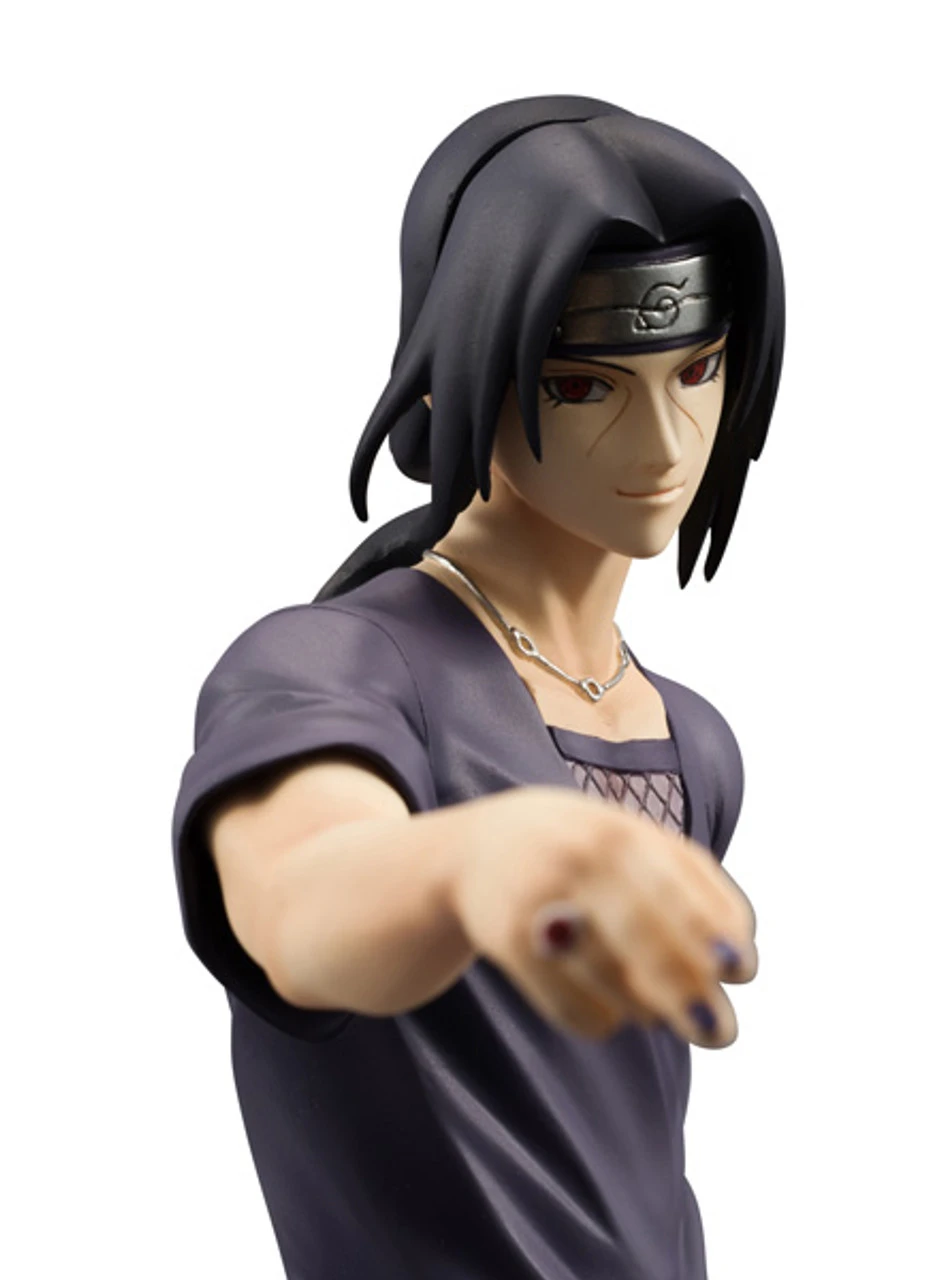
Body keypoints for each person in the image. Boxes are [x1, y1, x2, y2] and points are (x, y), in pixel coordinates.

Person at [172, 96, 784, 1280]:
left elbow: (628, 1143)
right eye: (583, 385)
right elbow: (296, 902)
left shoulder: (693, 740)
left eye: (698, 368)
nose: (664, 440)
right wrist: (467, 863)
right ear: (456, 374)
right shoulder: (331, 665)